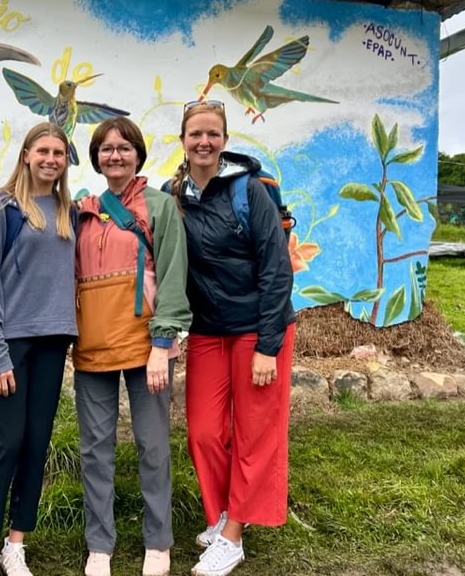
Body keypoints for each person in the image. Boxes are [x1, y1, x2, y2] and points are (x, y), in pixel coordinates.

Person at [165, 100, 296, 576]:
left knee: (255, 432)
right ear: (182, 140)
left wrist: (267, 344)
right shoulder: (173, 194)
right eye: (195, 133)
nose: (204, 141)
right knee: (203, 431)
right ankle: (220, 513)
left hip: (257, 327)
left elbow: (277, 270)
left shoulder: (249, 191)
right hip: (206, 331)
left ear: (224, 139)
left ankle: (234, 535)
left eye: (212, 134)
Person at [74, 116, 191, 576]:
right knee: (94, 448)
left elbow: (174, 277)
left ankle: (158, 542)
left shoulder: (160, 207)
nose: (115, 155)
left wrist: (162, 344)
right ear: (97, 157)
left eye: (124, 147)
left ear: (138, 154)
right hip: (92, 348)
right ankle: (99, 544)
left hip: (148, 350)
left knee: (153, 446)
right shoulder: (83, 209)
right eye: (106, 148)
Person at [0, 122, 78, 576]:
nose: (51, 159)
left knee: (36, 443)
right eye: (44, 151)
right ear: (27, 155)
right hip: (10, 341)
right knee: (6, 442)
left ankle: (17, 544)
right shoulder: (3, 208)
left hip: (54, 340)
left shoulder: (72, 211)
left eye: (59, 152)